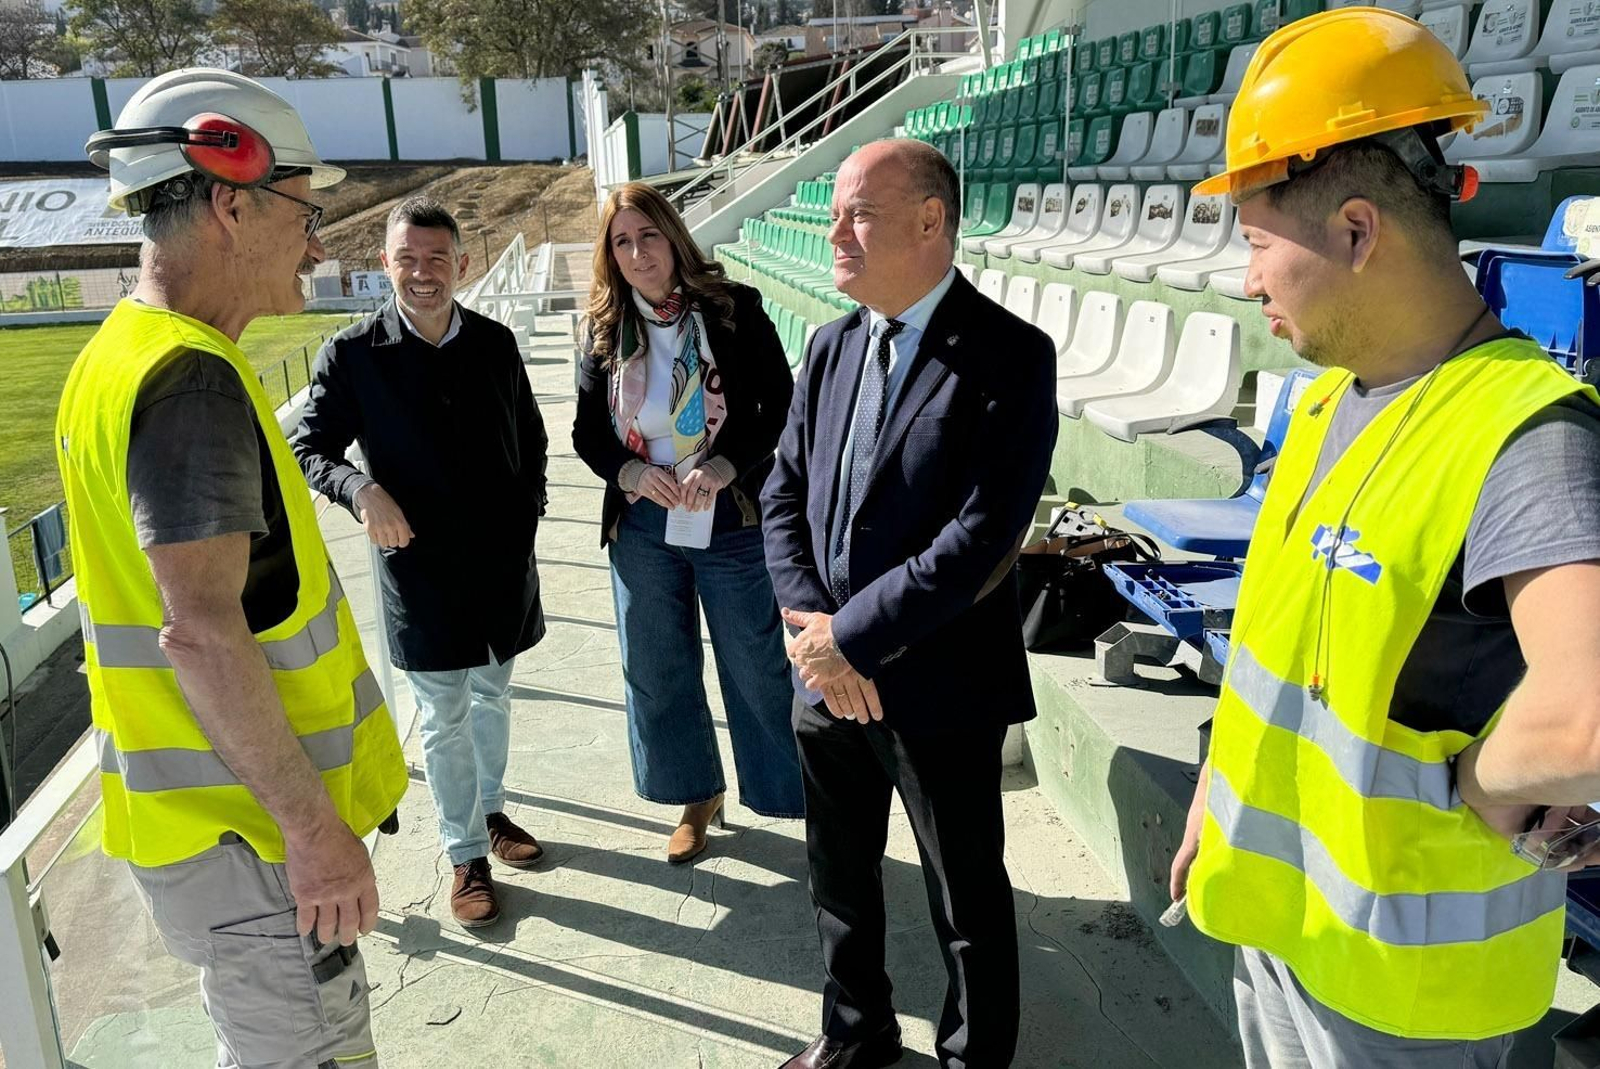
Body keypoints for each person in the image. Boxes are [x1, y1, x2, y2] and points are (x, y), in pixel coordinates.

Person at [1165, 10, 1600, 1068]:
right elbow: (1279, 652)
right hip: (1284, 935)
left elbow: (1588, 713)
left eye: (1259, 242)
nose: (1247, 278)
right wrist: (1211, 801)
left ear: (1356, 232)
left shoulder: (1524, 431)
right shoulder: (1324, 405)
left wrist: (1485, 786)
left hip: (1408, 1003)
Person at [58, 69, 408, 1068]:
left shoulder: (122, 355)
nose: (315, 241)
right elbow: (200, 629)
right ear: (227, 200)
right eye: (302, 213)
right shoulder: (188, 378)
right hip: (253, 843)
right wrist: (312, 828)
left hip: (210, 834)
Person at [761, 139, 1057, 1069]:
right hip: (825, 676)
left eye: (860, 214)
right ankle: (855, 1032)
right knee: (839, 877)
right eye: (836, 212)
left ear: (932, 221)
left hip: (939, 686)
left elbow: (981, 537)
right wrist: (814, 630)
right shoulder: (832, 342)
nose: (835, 233)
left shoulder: (1010, 354)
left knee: (964, 896)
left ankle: (974, 1055)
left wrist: (848, 637)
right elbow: (782, 492)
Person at [292, 196, 548, 929]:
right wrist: (361, 489)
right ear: (384, 264)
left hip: (501, 567)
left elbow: (529, 436)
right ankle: (465, 852)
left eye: (438, 258)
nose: (423, 273)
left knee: (494, 697)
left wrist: (526, 514)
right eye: (407, 258)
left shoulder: (495, 344)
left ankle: (493, 811)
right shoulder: (351, 355)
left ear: (463, 263)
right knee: (442, 714)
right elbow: (311, 449)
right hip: (421, 571)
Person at [572, 181, 805, 863]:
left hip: (727, 518)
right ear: (610, 256)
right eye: (622, 242)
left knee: (757, 662)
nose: (638, 252)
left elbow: (779, 406)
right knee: (657, 664)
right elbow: (590, 432)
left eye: (648, 235)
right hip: (645, 525)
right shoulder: (605, 328)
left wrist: (726, 466)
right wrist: (633, 473)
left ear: (673, 237)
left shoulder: (733, 310)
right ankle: (696, 793)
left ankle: (789, 793)